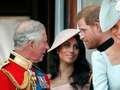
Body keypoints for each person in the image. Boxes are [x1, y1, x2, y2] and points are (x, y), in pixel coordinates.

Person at [77, 2, 120, 90]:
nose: (81, 37)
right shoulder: (100, 56)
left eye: (83, 30)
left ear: (97, 26)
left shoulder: (99, 56)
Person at [0, 20, 50, 90]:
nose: (47, 47)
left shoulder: (41, 75)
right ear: (32, 44)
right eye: (44, 42)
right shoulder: (3, 74)